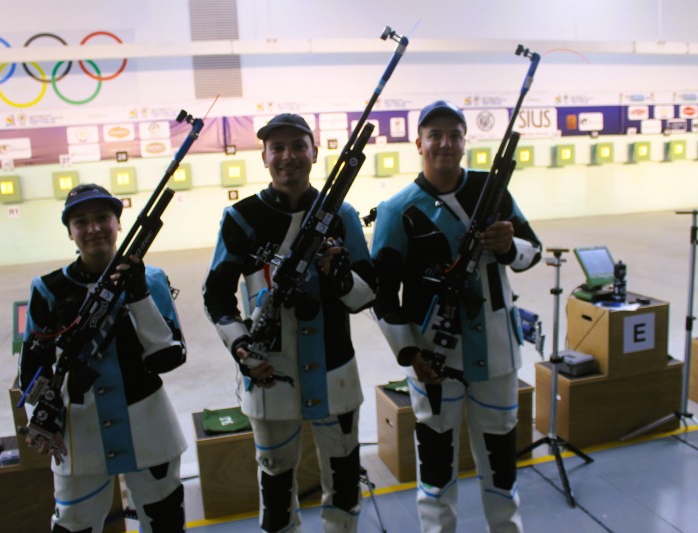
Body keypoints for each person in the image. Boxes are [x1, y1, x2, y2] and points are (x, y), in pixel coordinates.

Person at [370, 100, 542, 532]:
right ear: (419, 144)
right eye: (435, 135)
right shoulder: (398, 210)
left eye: (454, 134)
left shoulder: (492, 191)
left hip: (498, 356)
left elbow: (532, 252)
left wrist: (507, 247)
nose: (445, 143)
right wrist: (409, 353)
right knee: (436, 472)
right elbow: (382, 294)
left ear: (465, 142)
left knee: (501, 468)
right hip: (433, 361)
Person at [202, 113, 376, 532]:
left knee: (345, 482)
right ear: (263, 156)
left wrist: (337, 275)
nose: (288, 156)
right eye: (277, 147)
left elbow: (366, 294)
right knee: (277, 486)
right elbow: (216, 295)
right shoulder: (241, 218)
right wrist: (241, 347)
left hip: (335, 370)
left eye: (298, 146)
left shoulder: (342, 215)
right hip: (269, 374)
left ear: (314, 152)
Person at [18, 183, 188, 533]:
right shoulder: (48, 289)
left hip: (148, 423)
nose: (93, 227)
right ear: (70, 232)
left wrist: (138, 294)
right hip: (79, 430)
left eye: (102, 217)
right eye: (81, 221)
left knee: (165, 521)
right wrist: (41, 417)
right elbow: (32, 367)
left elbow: (169, 357)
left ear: (118, 223)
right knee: (74, 525)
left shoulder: (151, 278)